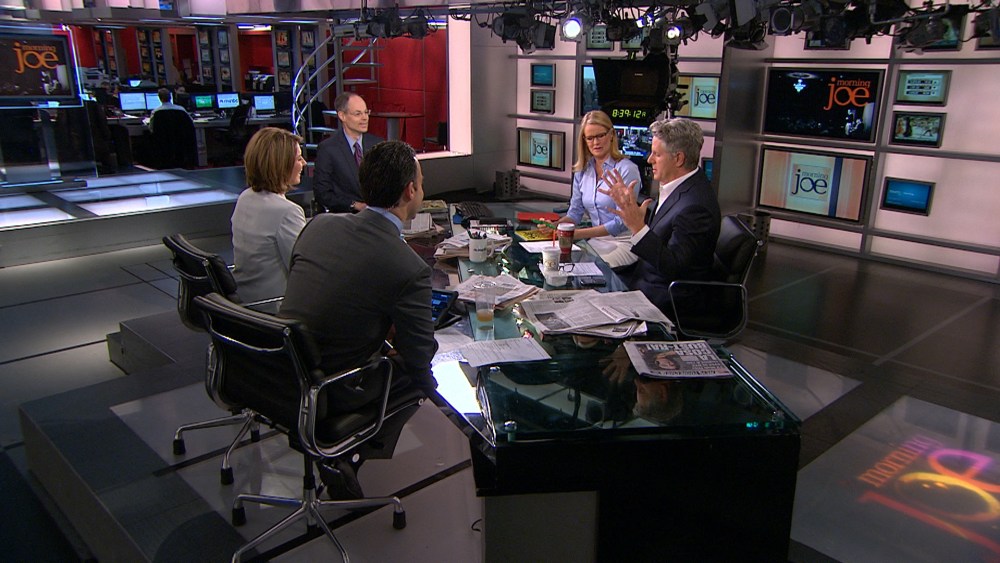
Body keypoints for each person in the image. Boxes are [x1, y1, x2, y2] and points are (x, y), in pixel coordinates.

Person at [279, 140, 436, 498]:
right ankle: (349, 453)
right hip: (331, 389)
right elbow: (419, 356)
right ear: (410, 191)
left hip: (278, 369)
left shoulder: (318, 225)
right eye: (421, 183)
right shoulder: (408, 267)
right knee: (416, 375)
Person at [600, 117, 721, 315]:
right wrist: (630, 207)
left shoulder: (695, 207)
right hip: (643, 279)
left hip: (666, 300)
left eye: (656, 154)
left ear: (678, 158)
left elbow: (675, 268)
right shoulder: (679, 187)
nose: (649, 160)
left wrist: (638, 227)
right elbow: (663, 234)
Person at [230, 127, 307, 306]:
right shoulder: (287, 211)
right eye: (298, 158)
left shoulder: (245, 197)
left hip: (244, 299)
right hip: (274, 306)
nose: (304, 163)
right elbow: (305, 270)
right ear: (281, 164)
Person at [547, 111, 642, 240]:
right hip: (596, 240)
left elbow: (622, 222)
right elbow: (575, 213)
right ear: (584, 140)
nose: (596, 142)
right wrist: (555, 226)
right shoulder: (582, 170)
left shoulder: (627, 169)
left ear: (611, 135)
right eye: (590, 138)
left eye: (600, 136)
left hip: (623, 241)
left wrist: (577, 234)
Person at [312, 92, 384, 213]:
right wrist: (354, 205)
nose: (365, 118)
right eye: (358, 114)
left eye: (366, 112)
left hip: (377, 215)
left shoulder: (378, 144)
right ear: (342, 116)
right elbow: (322, 193)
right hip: (346, 217)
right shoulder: (328, 149)